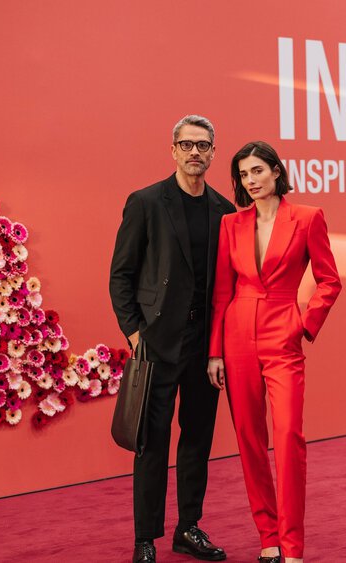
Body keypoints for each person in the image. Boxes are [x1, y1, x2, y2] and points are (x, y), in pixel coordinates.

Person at [207, 141, 342, 563]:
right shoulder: (232, 223)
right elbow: (222, 292)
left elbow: (329, 280)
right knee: (249, 439)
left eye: (258, 171)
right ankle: (268, 539)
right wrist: (215, 352)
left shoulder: (307, 217)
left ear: (276, 172)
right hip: (237, 334)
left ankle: (293, 547)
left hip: (283, 331)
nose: (252, 180)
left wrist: (304, 324)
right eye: (244, 175)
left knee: (287, 438)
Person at [110, 115, 236, 563]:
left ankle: (189, 529)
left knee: (198, 439)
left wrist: (221, 346)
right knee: (151, 442)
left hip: (206, 347)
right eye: (187, 146)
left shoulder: (224, 210)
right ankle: (146, 538)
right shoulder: (145, 202)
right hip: (157, 345)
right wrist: (134, 332)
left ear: (214, 153)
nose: (195, 153)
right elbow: (121, 275)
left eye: (203, 146)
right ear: (173, 150)